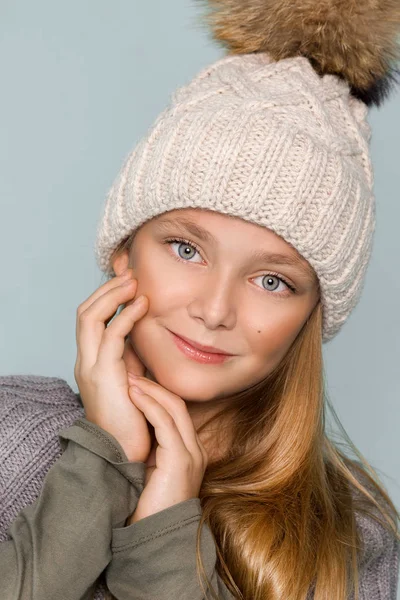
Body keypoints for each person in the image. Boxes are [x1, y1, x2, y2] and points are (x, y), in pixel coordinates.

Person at [1, 0, 400, 598]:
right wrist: (104, 462)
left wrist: (165, 535)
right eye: (186, 249)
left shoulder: (348, 541)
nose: (215, 311)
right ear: (124, 251)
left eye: (273, 281)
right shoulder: (9, 437)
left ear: (312, 318)